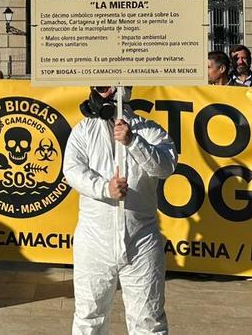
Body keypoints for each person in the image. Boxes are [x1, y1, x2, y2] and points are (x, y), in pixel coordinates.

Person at [64, 86, 177, 334]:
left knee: (148, 319)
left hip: (142, 240)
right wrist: (105, 188)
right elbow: (72, 170)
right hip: (94, 240)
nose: (104, 93)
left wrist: (133, 142)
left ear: (122, 90)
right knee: (88, 317)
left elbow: (166, 166)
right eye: (99, 87)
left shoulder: (148, 130)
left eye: (109, 87)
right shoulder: (83, 130)